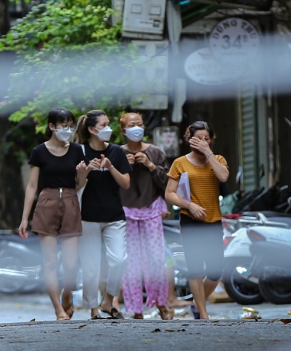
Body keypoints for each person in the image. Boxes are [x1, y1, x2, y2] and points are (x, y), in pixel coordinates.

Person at [18, 108, 90, 321]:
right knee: (49, 261)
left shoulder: (77, 150)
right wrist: (24, 218)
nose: (67, 129)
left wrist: (84, 174)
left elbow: (79, 185)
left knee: (70, 263)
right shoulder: (39, 152)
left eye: (70, 125)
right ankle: (58, 308)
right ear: (51, 126)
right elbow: (32, 186)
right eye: (63, 125)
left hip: (70, 201)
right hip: (46, 201)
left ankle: (67, 294)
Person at [165, 120, 229, 320]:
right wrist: (189, 205)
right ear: (189, 140)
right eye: (198, 139)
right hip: (190, 220)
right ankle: (203, 313)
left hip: (213, 220)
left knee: (215, 271)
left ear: (212, 140)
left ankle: (195, 303)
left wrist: (209, 154)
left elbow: (224, 177)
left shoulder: (218, 159)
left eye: (206, 139)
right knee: (195, 268)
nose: (203, 142)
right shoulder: (180, 163)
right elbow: (169, 193)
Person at [76, 110, 131, 320]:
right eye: (103, 125)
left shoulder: (116, 152)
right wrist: (85, 172)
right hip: (87, 215)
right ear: (91, 129)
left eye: (109, 124)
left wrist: (110, 167)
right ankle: (93, 309)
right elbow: (77, 185)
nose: (108, 128)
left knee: (118, 260)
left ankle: (109, 300)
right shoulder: (79, 151)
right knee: (90, 266)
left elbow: (126, 183)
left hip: (114, 216)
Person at [117, 112, 172, 320]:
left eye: (139, 124)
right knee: (131, 262)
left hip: (152, 209)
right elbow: (113, 184)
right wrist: (126, 167)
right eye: (132, 125)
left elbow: (167, 182)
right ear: (123, 130)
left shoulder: (156, 152)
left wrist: (150, 166)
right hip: (126, 211)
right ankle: (136, 309)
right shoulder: (117, 153)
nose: (136, 127)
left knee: (157, 259)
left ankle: (162, 304)